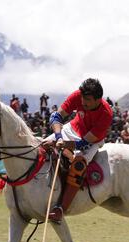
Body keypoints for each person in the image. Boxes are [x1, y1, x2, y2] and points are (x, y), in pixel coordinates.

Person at [43, 78, 113, 222]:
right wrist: (58, 137)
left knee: (78, 164)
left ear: (98, 100)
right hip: (71, 129)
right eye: (82, 98)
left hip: (90, 141)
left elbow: (82, 144)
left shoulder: (106, 114)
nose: (82, 102)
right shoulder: (78, 96)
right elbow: (56, 116)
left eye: (87, 99)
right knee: (43, 147)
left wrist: (60, 144)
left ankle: (61, 209)